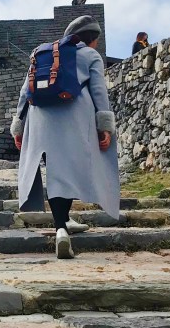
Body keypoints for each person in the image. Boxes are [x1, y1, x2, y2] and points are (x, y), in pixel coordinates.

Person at [10, 15, 120, 259]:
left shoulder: (42, 53)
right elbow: (98, 91)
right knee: (67, 169)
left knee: (55, 168)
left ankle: (64, 220)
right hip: (74, 117)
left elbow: (25, 92)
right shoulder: (91, 55)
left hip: (39, 119)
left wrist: (19, 127)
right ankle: (61, 229)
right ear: (92, 39)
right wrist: (104, 125)